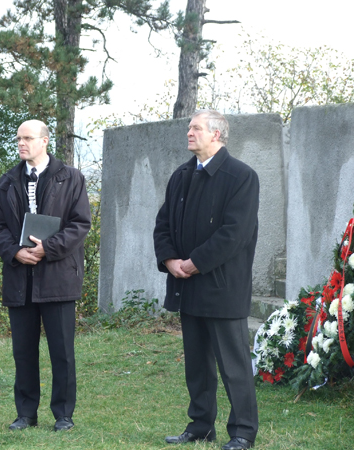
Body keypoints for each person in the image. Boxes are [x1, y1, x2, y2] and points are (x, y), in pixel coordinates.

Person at [153, 110, 259, 450]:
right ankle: (201, 426)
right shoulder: (181, 175)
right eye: (189, 127)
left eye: (196, 128)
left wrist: (195, 262)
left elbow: (235, 233)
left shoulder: (241, 176)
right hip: (187, 285)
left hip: (223, 288)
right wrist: (170, 260)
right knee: (197, 366)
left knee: (234, 366)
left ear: (216, 134)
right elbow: (163, 224)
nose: (189, 132)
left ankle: (243, 431)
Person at [0, 119, 91, 432]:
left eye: (28, 138)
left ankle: (63, 415)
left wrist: (48, 248)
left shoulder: (71, 178)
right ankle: (26, 414)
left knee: (62, 352)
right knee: (23, 352)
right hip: (20, 279)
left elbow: (80, 224)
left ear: (44, 141)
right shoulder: (7, 181)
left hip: (58, 277)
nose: (21, 143)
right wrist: (15, 252)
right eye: (18, 138)